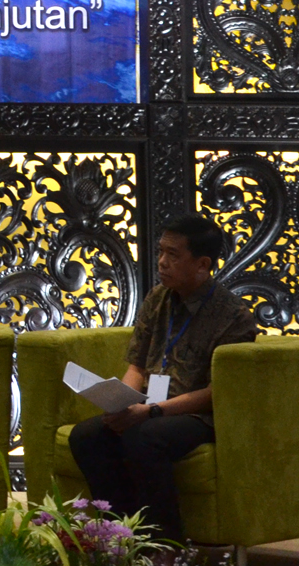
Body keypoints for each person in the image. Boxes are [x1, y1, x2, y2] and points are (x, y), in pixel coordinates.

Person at [68, 214, 257, 543]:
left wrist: (153, 411)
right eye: (160, 252)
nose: (162, 262)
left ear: (202, 264)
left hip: (199, 415)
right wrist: (121, 404)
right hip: (150, 407)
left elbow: (217, 392)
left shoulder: (233, 316)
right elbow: (138, 366)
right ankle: (121, 536)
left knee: (145, 436)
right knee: (87, 435)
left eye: (173, 254)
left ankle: (165, 545)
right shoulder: (157, 299)